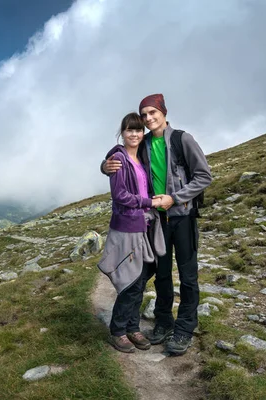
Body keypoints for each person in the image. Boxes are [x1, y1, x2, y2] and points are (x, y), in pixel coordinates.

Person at [101, 94, 212, 356]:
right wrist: (105, 167)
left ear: (163, 112)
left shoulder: (182, 139)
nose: (149, 118)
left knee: (187, 276)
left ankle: (184, 328)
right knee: (161, 275)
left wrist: (175, 197)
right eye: (144, 115)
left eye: (153, 112)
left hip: (182, 217)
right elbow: (122, 155)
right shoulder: (145, 142)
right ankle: (163, 322)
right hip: (157, 222)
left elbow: (204, 175)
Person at [97, 112, 166, 353]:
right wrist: (151, 203)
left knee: (142, 277)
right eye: (129, 130)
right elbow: (120, 196)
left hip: (145, 226)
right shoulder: (118, 158)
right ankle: (118, 331)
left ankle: (133, 327)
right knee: (130, 281)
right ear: (122, 133)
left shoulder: (142, 158)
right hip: (128, 227)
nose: (134, 134)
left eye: (138, 130)